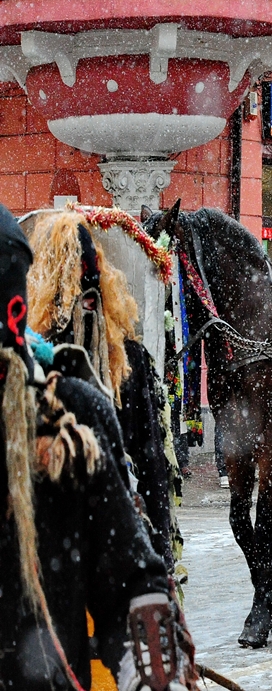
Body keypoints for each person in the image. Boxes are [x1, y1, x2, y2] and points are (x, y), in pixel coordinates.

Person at [0, 204, 196, 691]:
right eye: (74, 291)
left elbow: (131, 570)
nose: (84, 303)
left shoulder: (73, 407)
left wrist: (148, 663)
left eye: (92, 292)